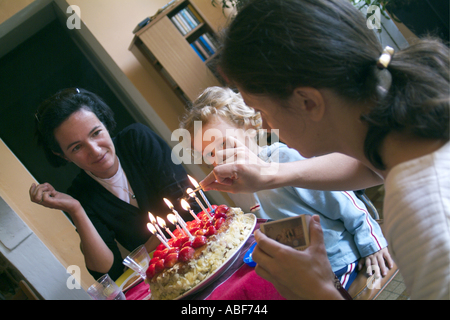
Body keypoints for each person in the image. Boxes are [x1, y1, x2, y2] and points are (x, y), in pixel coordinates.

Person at [200, 0, 449, 299]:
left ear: (308, 102)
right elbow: (369, 166)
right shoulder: (403, 140)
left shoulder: (423, 212)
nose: (265, 126)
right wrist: (269, 175)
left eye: (262, 111)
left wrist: (316, 290)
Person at [180, 86, 393, 289]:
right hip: (305, 272)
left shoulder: (283, 159)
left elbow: (346, 203)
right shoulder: (238, 188)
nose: (219, 157)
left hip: (339, 261)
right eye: (210, 155)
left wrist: (371, 243)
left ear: (250, 128)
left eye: (224, 144)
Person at [29, 88, 198, 280]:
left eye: (96, 133)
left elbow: (189, 207)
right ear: (62, 155)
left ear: (104, 123)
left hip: (205, 241)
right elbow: (110, 273)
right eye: (77, 147)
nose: (94, 150)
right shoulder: (80, 195)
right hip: (167, 275)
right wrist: (76, 210)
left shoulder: (137, 139)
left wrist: (141, 254)